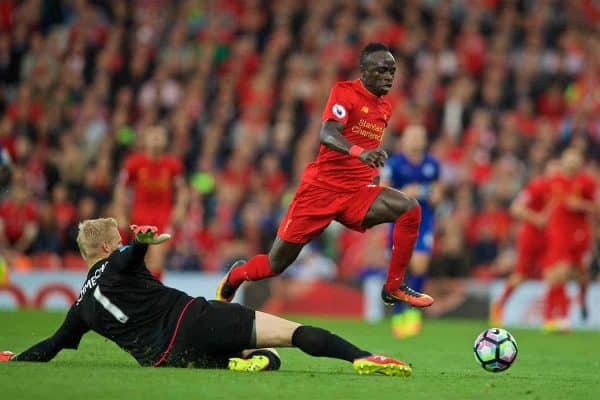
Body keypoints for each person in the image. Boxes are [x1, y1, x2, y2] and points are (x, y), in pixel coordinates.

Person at [0, 218, 412, 377]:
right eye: (119, 240)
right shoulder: (119, 261)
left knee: (264, 356)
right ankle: (362, 357)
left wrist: (13, 358)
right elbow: (128, 258)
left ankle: (249, 360)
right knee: (291, 333)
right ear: (108, 246)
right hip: (194, 320)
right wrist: (141, 243)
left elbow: (51, 347)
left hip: (168, 359)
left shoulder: (80, 308)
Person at [216, 43, 433, 308]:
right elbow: (327, 134)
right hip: (320, 191)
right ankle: (238, 273)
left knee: (409, 209)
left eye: (392, 71)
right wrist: (361, 153)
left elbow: (363, 143)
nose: (389, 77)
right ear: (363, 72)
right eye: (381, 71)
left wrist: (370, 167)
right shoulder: (344, 92)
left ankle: (394, 286)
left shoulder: (385, 108)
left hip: (356, 193)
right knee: (276, 264)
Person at [381, 125, 442, 338]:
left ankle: (414, 312)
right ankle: (399, 313)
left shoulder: (432, 164)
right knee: (401, 267)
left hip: (424, 221)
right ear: (404, 141)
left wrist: (428, 193)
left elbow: (438, 193)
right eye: (412, 136)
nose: (416, 140)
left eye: (420, 136)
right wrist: (405, 193)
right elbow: (384, 192)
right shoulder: (394, 164)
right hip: (398, 222)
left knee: (420, 263)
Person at [114, 125, 187, 280]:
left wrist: (180, 207)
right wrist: (120, 212)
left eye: (159, 136)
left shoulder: (173, 165)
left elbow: (182, 189)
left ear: (165, 141)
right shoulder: (134, 163)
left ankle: (153, 292)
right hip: (139, 215)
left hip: (163, 216)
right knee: (143, 257)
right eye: (153, 135)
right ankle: (143, 290)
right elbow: (121, 187)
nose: (156, 139)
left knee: (158, 255)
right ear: (146, 140)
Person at [489, 159, 557, 326]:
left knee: (552, 275)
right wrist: (536, 218)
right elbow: (516, 208)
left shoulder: (563, 191)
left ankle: (550, 317)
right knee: (521, 275)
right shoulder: (536, 187)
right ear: (546, 172)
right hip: (531, 238)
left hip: (551, 238)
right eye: (553, 171)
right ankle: (500, 305)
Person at [540, 148, 598, 331]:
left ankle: (581, 299)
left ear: (580, 162)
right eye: (568, 158)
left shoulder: (588, 182)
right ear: (563, 160)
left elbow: (597, 207)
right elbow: (549, 200)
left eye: (575, 159)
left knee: (581, 275)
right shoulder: (555, 180)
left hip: (580, 235)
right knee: (557, 273)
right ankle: (554, 317)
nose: (572, 162)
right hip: (558, 234)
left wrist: (581, 205)